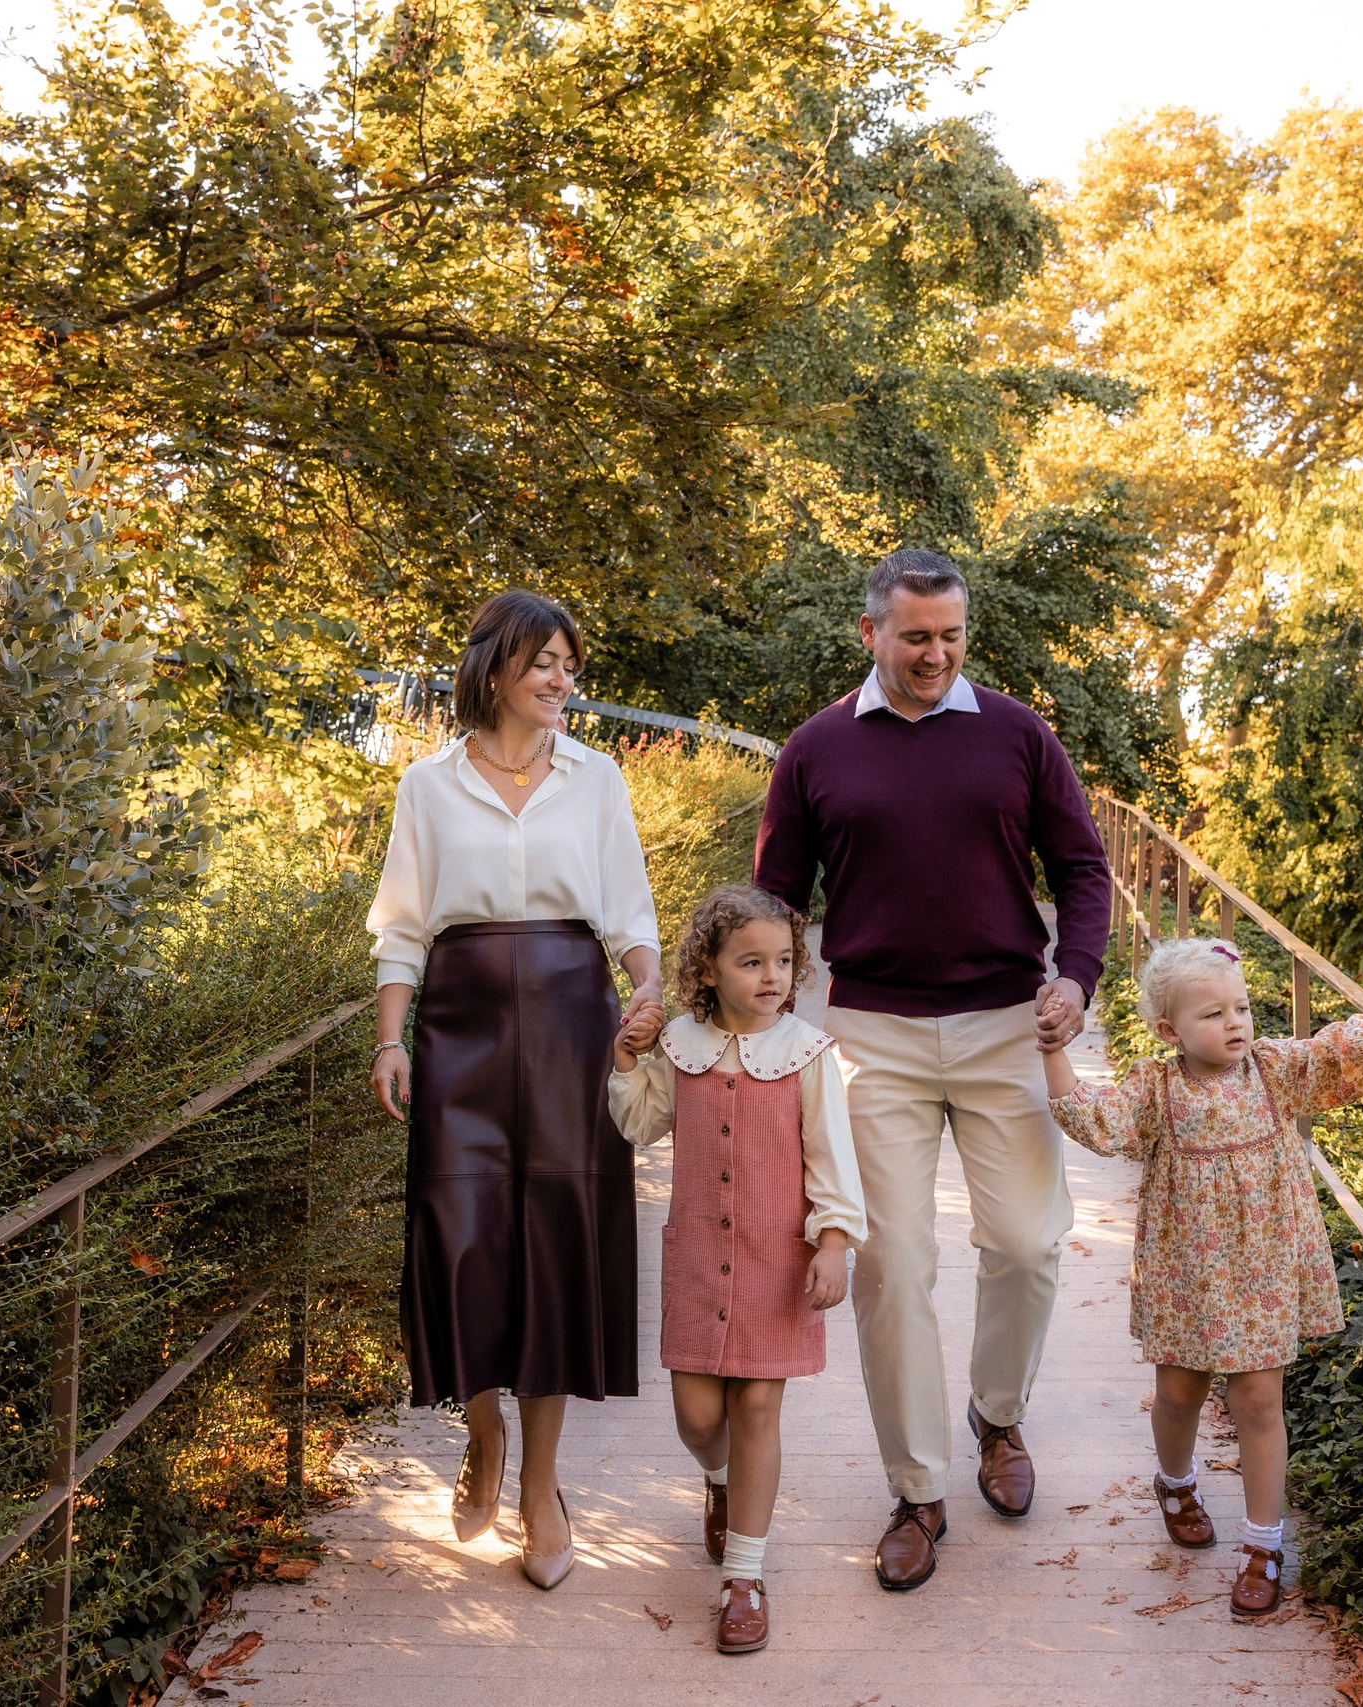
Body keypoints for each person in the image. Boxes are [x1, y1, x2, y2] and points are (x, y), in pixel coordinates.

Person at [752, 547, 1110, 1591]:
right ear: (869, 633)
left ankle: (997, 1418)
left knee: (1029, 1242)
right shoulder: (816, 749)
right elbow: (774, 900)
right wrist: (758, 1023)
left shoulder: (1016, 734)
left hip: (1008, 1024)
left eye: (951, 636)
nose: (936, 655)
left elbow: (1082, 868)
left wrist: (1076, 980)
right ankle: (916, 1490)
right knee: (890, 1264)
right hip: (872, 1033)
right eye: (916, 637)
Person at [367, 588, 663, 1591]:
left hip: (575, 1021)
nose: (561, 680)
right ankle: (482, 1428)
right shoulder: (428, 785)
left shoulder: (597, 779)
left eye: (570, 665)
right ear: (496, 666)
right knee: (463, 1239)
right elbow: (402, 924)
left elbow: (628, 909)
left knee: (557, 1239)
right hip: (459, 1023)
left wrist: (650, 992)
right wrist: (389, 1039)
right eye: (544, 662)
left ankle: (541, 1486)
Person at [1040, 936, 1363, 1618]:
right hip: (1188, 1270)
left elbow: (1333, 1053)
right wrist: (1051, 1052)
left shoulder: (1274, 1070)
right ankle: (1176, 1481)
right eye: (1212, 1014)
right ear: (1168, 1030)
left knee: (1259, 1402)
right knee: (1178, 1392)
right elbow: (1099, 1119)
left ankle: (1264, 1545)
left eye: (1240, 1007)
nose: (1235, 1022)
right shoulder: (1156, 1087)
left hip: (1265, 1266)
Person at [606, 884, 865, 1654]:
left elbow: (831, 1157)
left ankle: (744, 1578)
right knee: (699, 1418)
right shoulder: (680, 1043)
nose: (771, 975)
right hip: (697, 1263)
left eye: (783, 960)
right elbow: (641, 1124)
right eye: (750, 961)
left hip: (774, 1260)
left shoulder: (808, 1053)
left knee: (757, 1409)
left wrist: (834, 1241)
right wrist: (627, 1058)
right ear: (708, 968)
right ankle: (716, 1479)